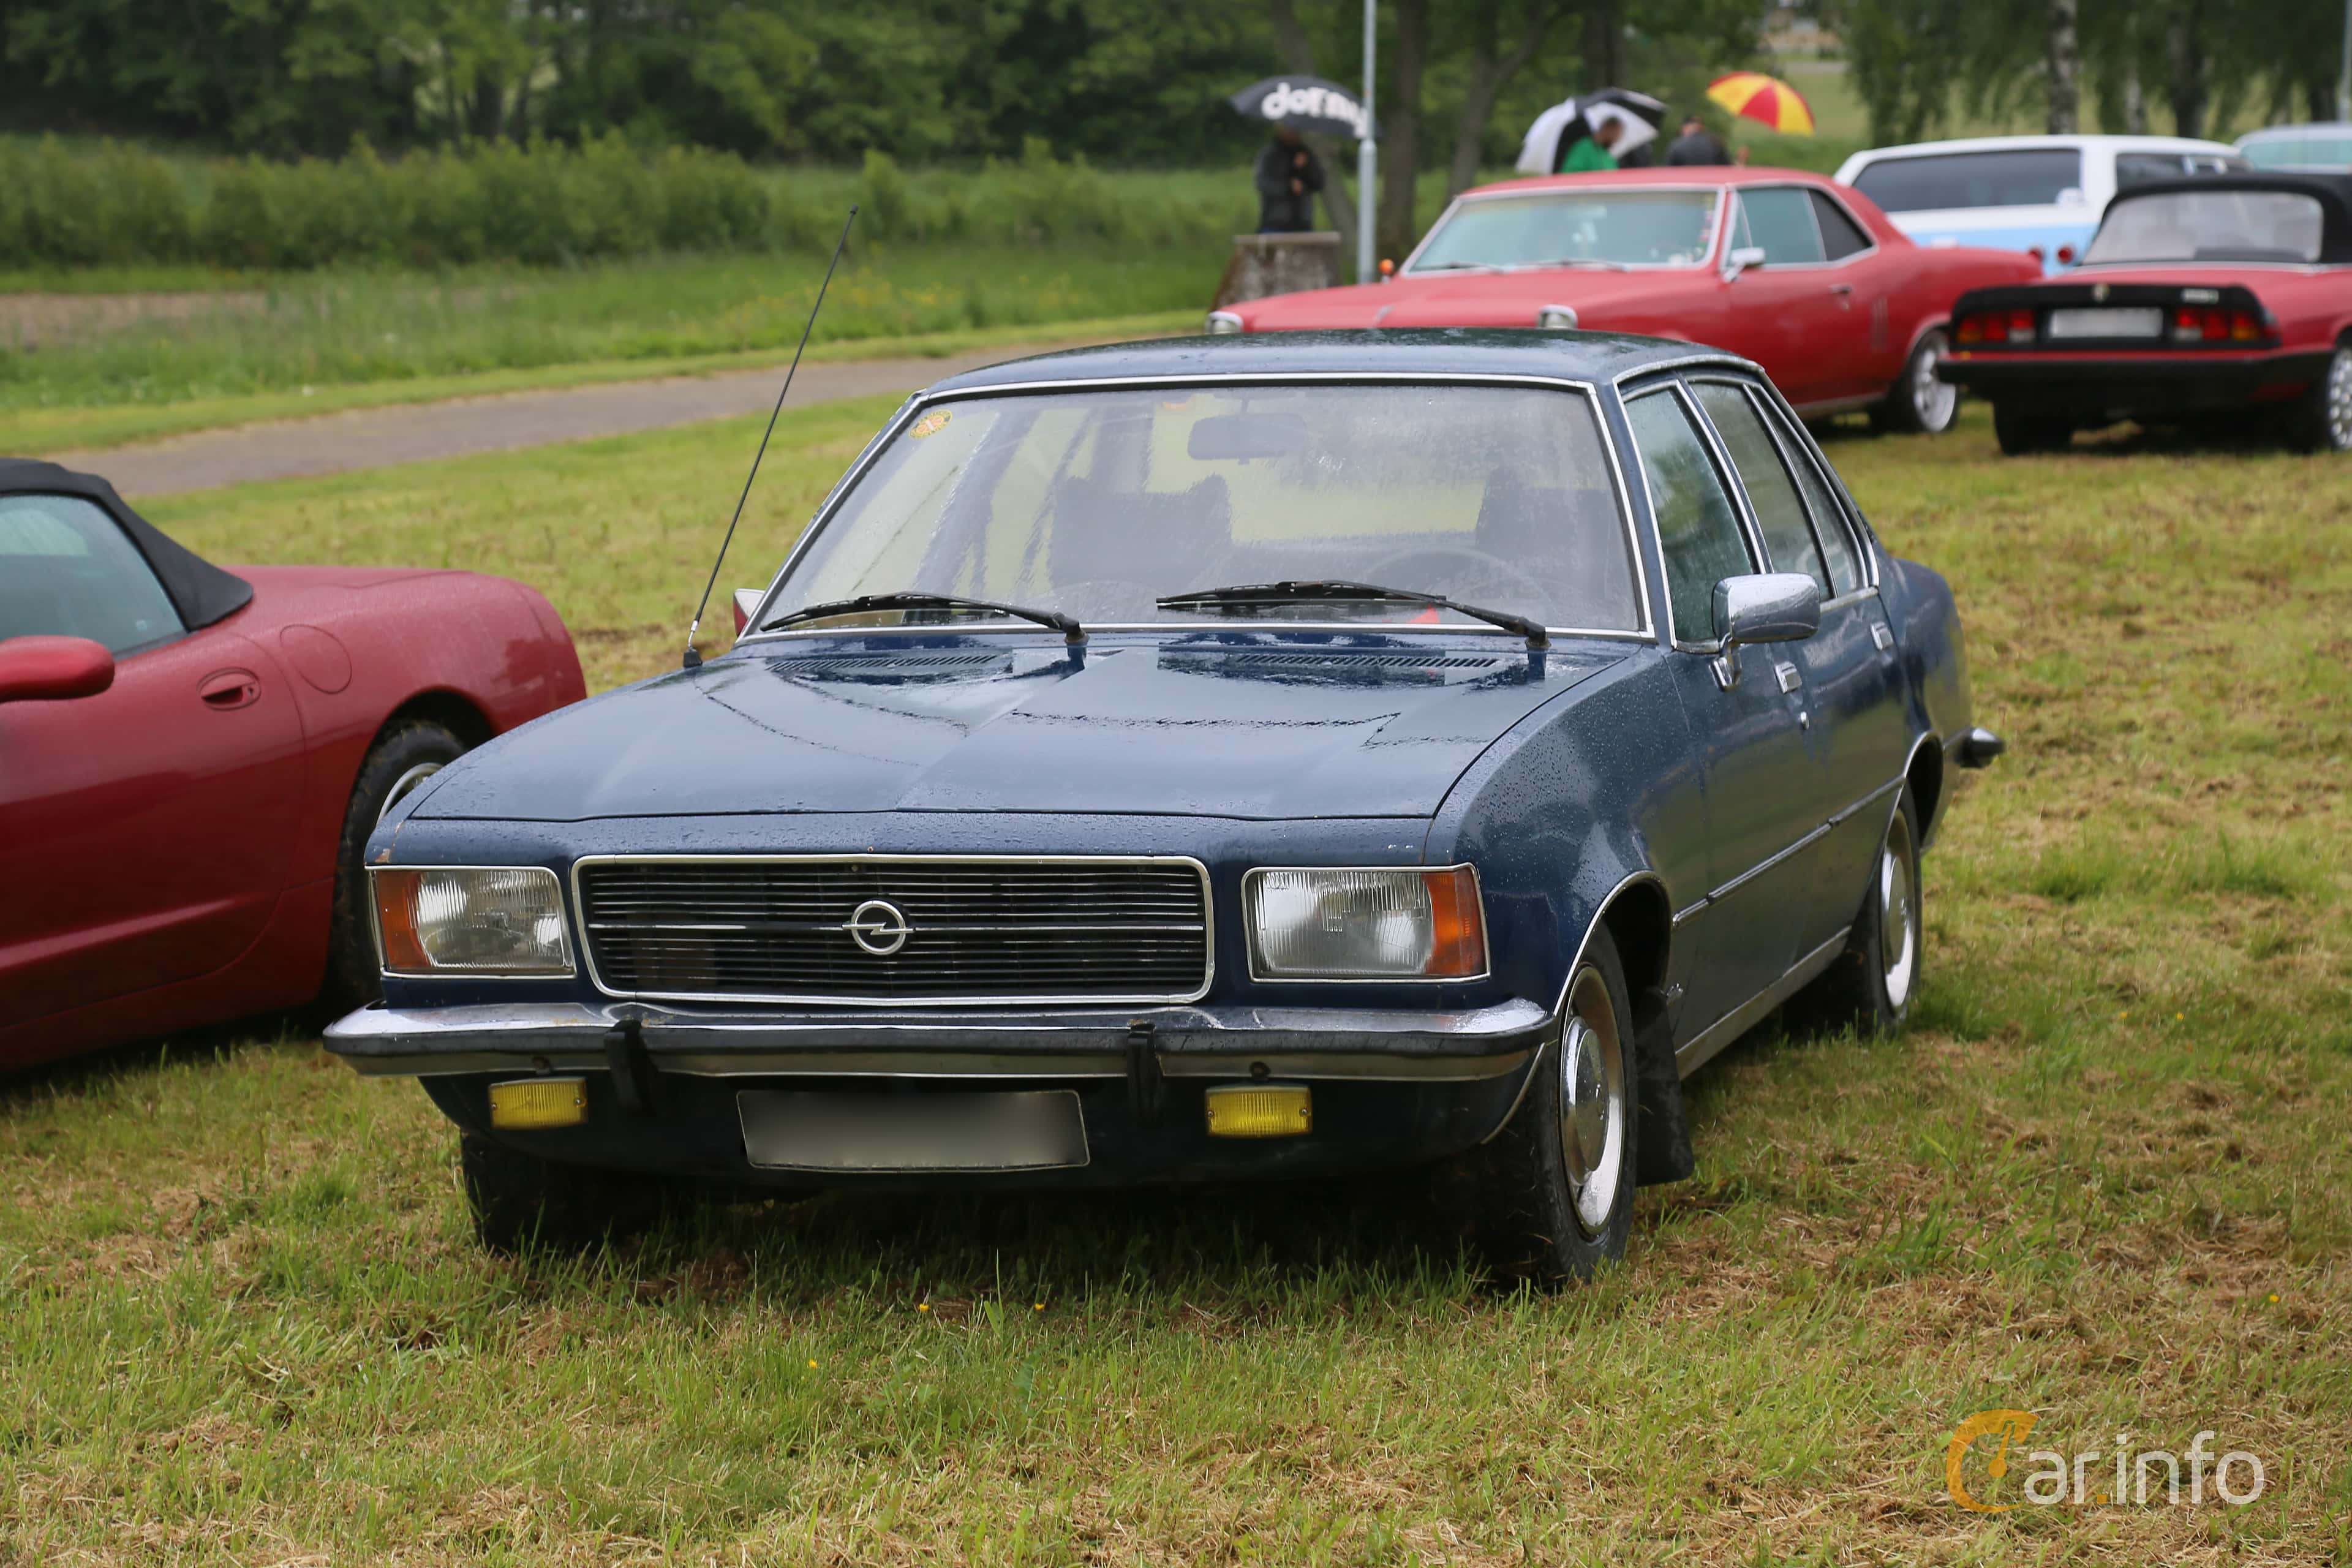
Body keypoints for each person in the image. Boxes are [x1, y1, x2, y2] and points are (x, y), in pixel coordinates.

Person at [1254, 129, 1324, 233]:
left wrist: (1306, 168)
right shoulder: (1270, 154)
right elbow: (1262, 184)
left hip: (1303, 222)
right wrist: (1288, 187)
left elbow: (1319, 182)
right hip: (1275, 222)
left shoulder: (1307, 153)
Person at [1555, 115, 1623, 173]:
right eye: (1618, 132)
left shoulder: (1607, 154)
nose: (1619, 137)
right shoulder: (1584, 148)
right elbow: (1570, 172)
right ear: (1609, 129)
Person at [1663, 113, 1732, 167]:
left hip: (1685, 181)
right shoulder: (1715, 143)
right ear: (1702, 128)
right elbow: (1727, 167)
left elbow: (1669, 171)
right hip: (1712, 181)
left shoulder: (1676, 145)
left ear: (1684, 128)